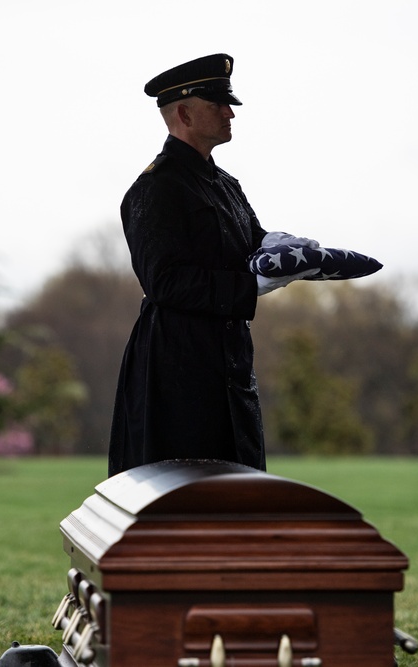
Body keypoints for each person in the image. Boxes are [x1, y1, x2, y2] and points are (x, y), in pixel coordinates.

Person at [108, 53, 318, 477]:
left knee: (240, 489)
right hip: (175, 373)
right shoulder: (155, 189)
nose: (229, 112)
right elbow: (165, 282)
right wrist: (250, 286)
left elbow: (252, 244)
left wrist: (285, 250)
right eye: (217, 104)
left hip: (230, 364)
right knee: (181, 497)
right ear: (183, 112)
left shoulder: (225, 184)